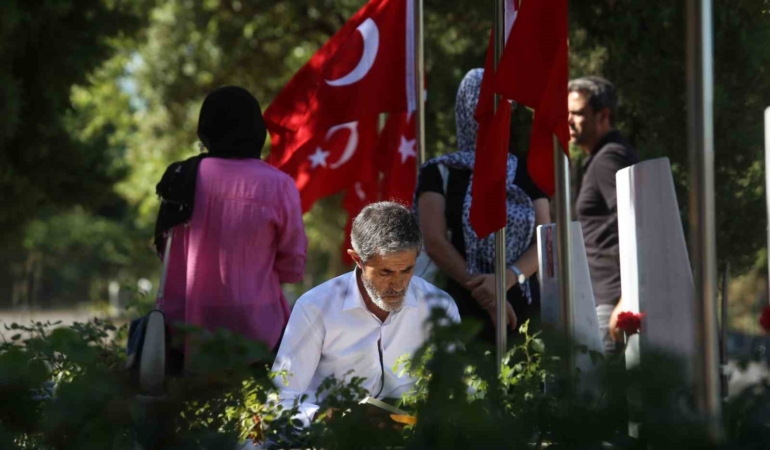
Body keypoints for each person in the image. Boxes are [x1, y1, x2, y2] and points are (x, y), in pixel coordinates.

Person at [154, 85, 308, 369]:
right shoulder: (279, 185)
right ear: (256, 130)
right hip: (258, 332)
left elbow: (165, 250)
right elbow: (293, 268)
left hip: (184, 331)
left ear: (205, 130)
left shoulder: (180, 176)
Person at [271, 202, 459, 427]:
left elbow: (457, 388)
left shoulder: (438, 306)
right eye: (386, 272)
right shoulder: (315, 307)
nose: (398, 285)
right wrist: (324, 418)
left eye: (407, 270)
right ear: (357, 259)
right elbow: (281, 398)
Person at [414, 68, 551, 345]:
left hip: (521, 301)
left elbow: (546, 237)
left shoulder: (525, 171)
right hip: (460, 303)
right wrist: (486, 292)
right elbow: (435, 241)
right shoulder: (440, 172)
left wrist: (505, 281)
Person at [568, 76, 639, 356]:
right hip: (602, 300)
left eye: (577, 113)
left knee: (601, 397)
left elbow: (637, 222)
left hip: (612, 303)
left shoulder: (610, 158)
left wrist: (625, 300)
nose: (569, 120)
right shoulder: (600, 159)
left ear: (603, 116)